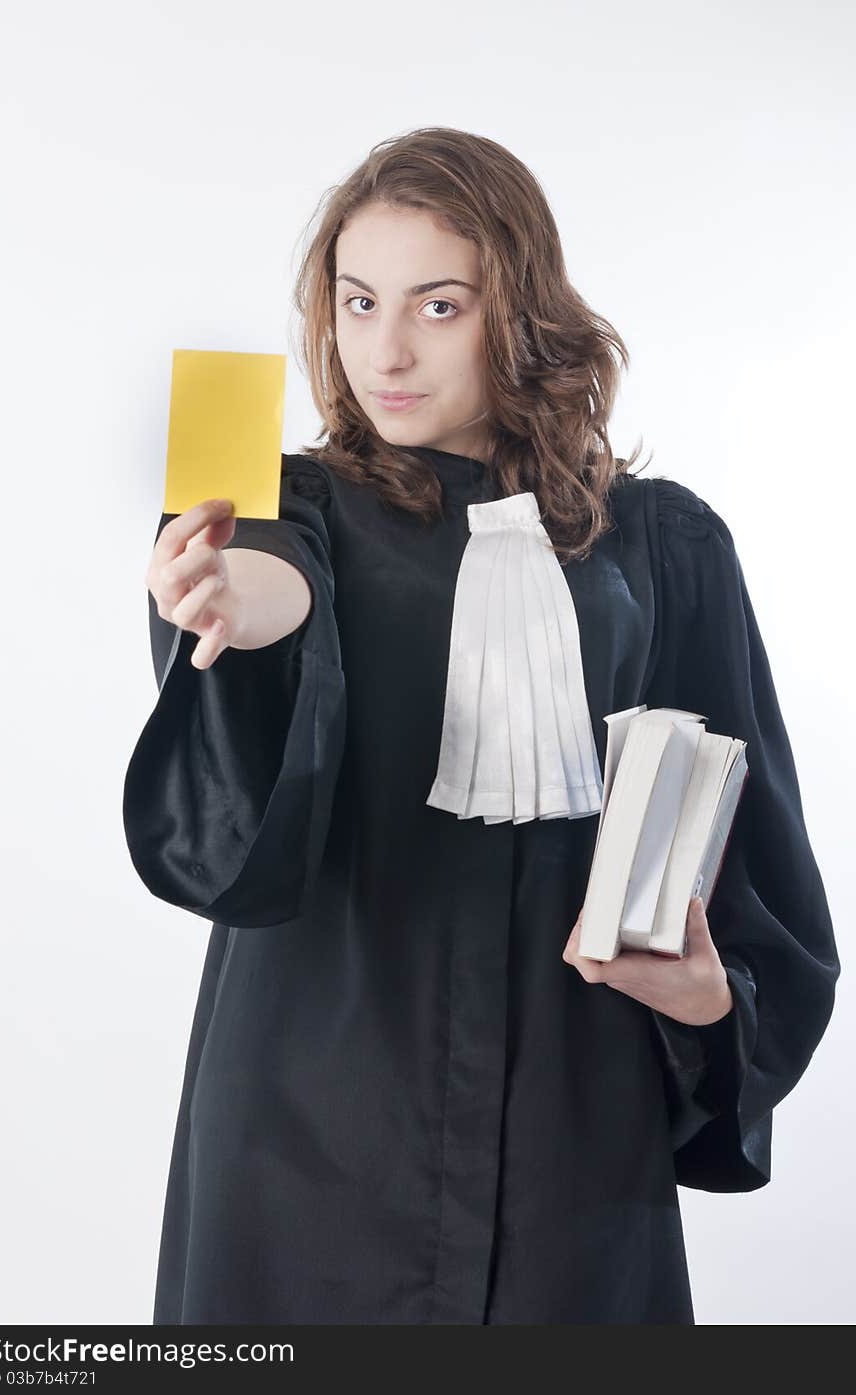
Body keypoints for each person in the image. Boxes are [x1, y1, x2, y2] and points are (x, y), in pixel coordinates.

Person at [122, 127, 840, 1325]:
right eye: (357, 302)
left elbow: (756, 874)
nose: (384, 351)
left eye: (436, 305)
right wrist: (237, 606)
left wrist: (712, 1002)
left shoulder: (664, 547)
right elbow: (268, 581)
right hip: (309, 1144)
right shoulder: (285, 503)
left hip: (575, 1152)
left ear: (516, 311)